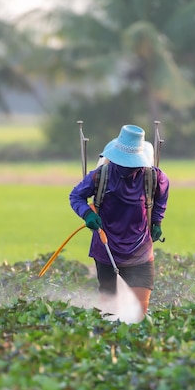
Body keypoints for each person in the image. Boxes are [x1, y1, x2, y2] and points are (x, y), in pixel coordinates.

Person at [69, 124, 169, 318]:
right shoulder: (100, 176)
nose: (126, 167)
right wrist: (87, 214)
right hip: (107, 249)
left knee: (139, 311)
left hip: (140, 250)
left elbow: (162, 197)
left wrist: (157, 221)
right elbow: (75, 196)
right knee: (110, 310)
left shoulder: (153, 177)